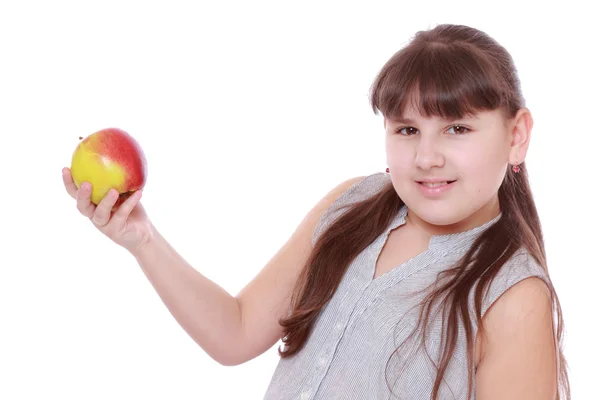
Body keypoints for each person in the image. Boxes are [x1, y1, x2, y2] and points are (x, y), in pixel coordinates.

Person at [62, 23, 570, 400]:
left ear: (517, 135)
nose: (426, 156)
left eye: (457, 128)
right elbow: (236, 332)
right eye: (407, 129)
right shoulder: (350, 207)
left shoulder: (513, 297)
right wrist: (141, 237)